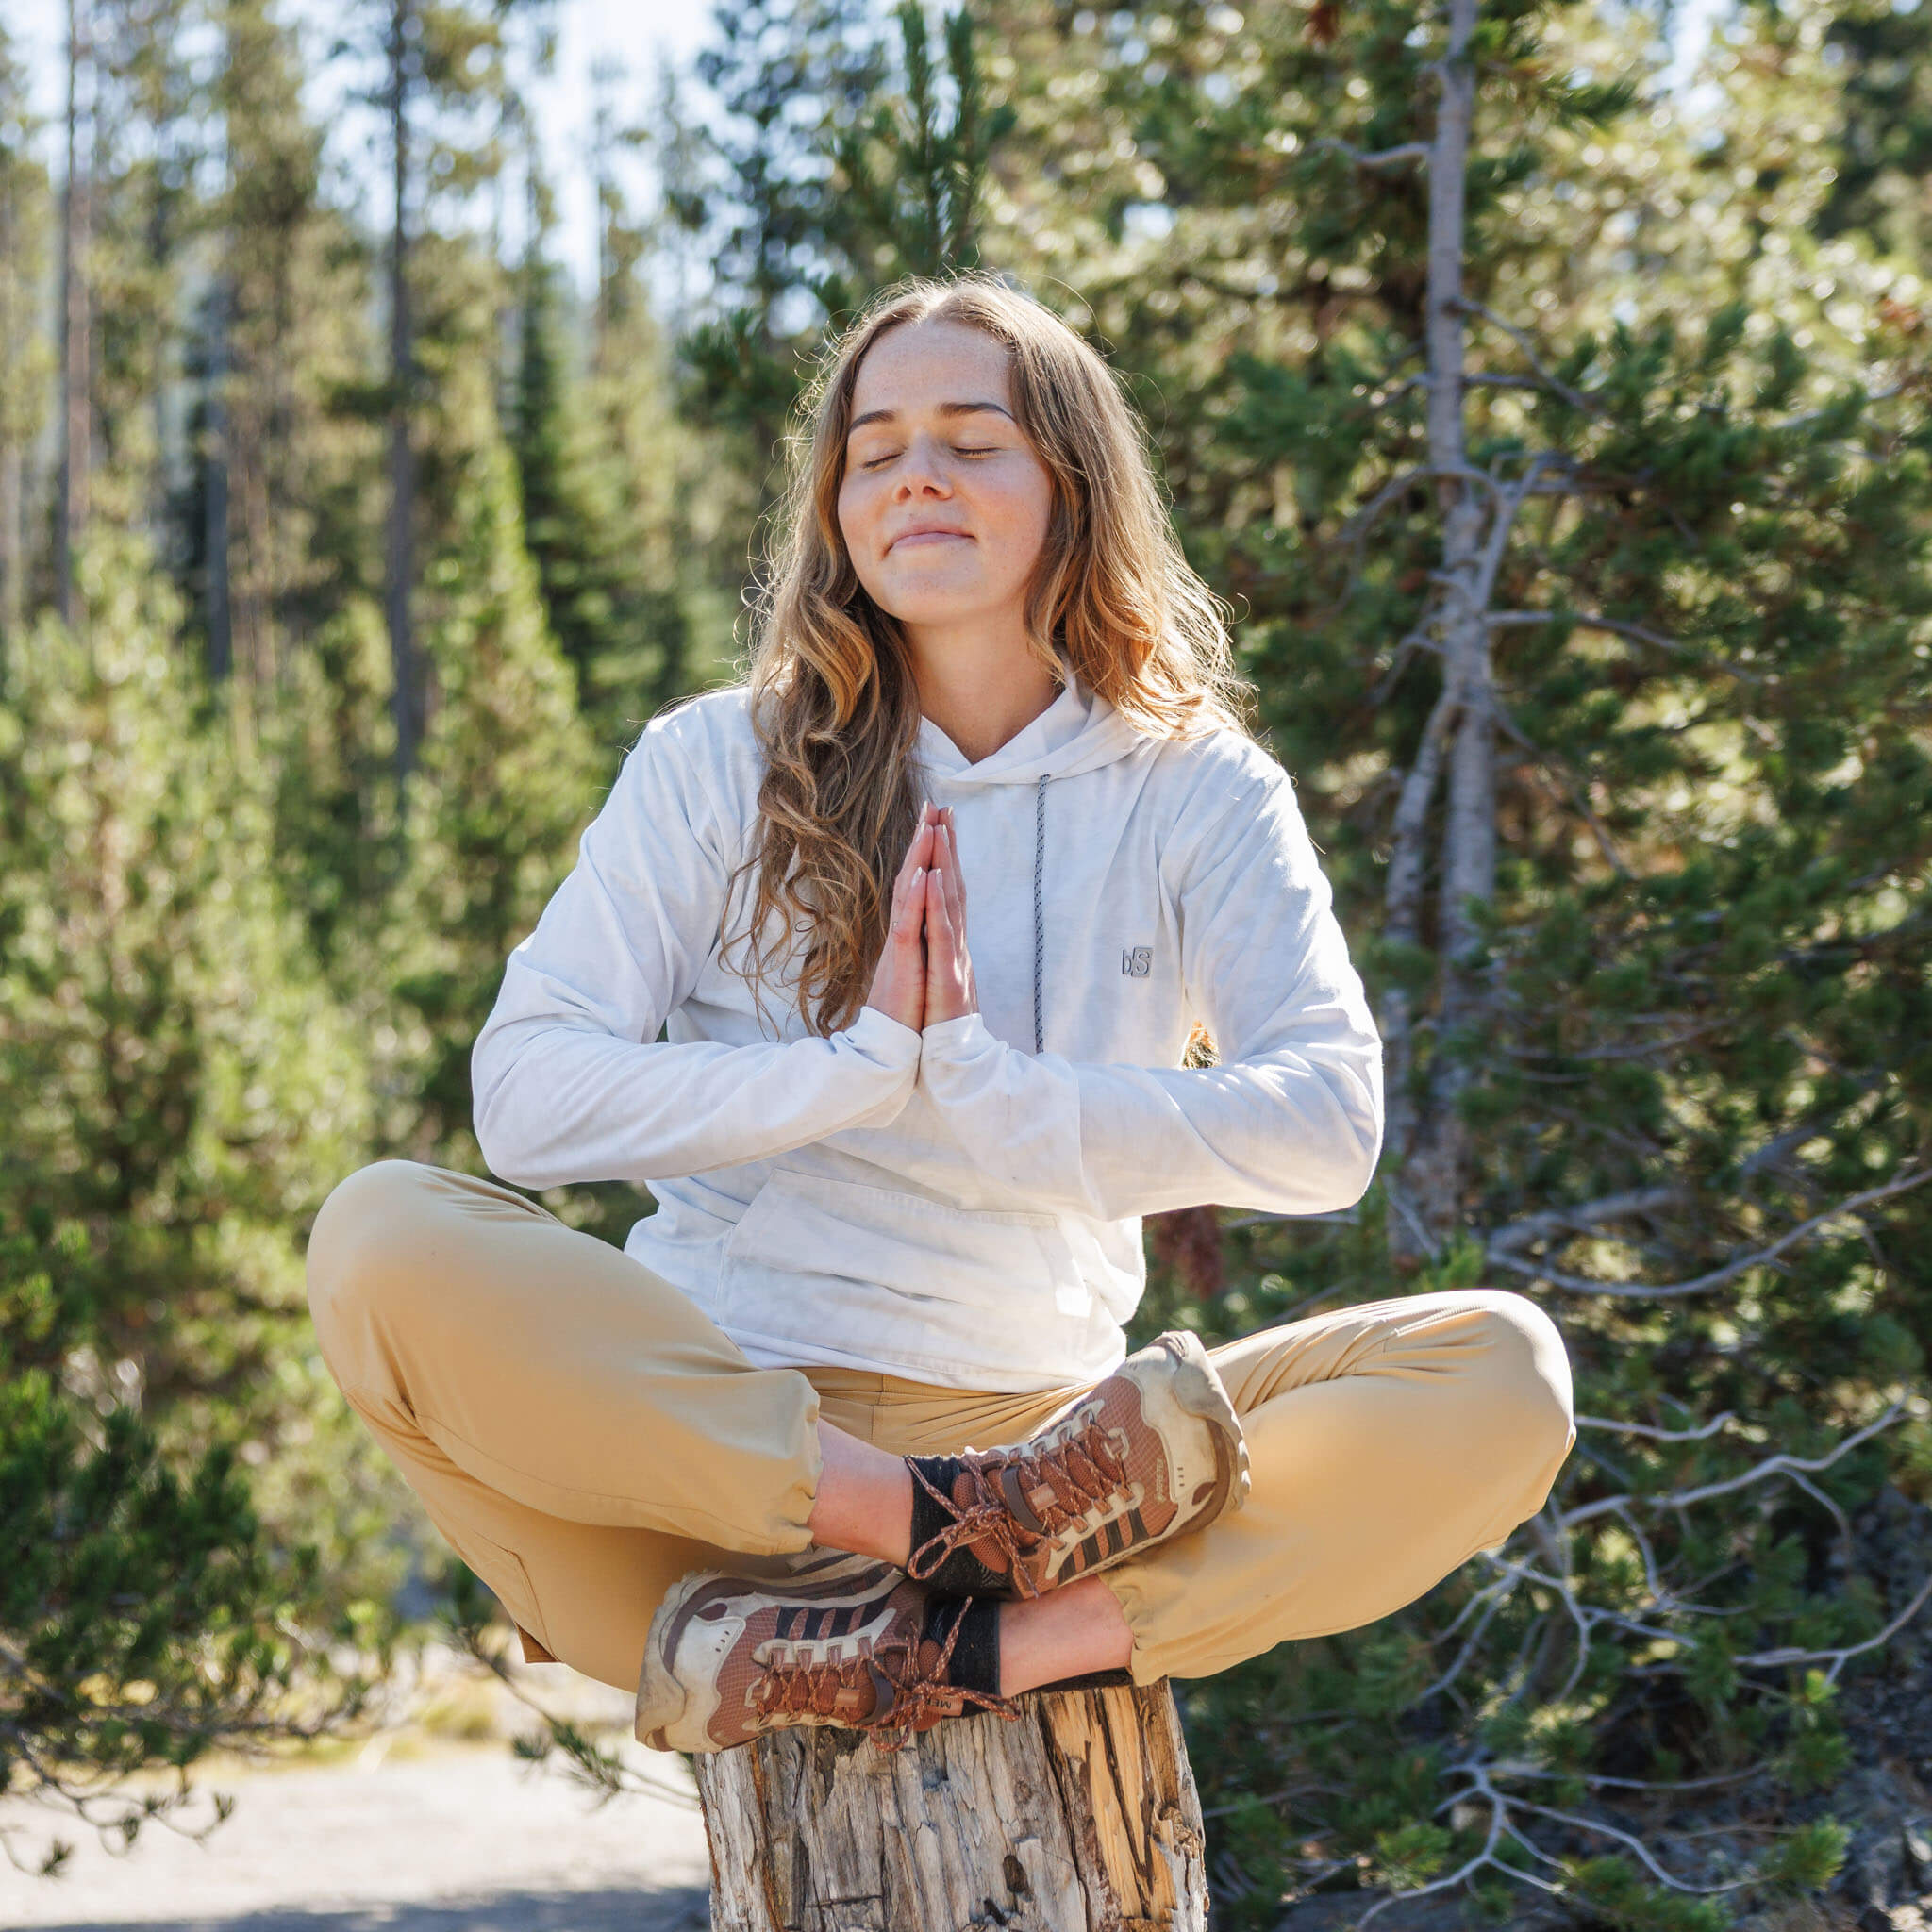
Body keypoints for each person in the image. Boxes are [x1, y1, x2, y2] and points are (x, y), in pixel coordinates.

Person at [304, 272, 1575, 1757]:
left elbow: (1330, 1128)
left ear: (1072, 485)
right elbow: (524, 1097)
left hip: (1069, 1476)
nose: (916, 472)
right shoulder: (717, 761)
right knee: (379, 1238)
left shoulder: (1195, 785)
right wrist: (848, 1076)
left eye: (973, 439)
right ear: (836, 505)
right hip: (714, 1468)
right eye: (875, 447)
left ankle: (999, 1645)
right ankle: (932, 1537)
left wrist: (992, 1092)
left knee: (1501, 1371)